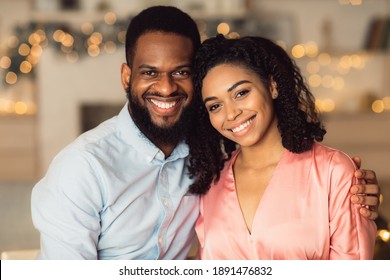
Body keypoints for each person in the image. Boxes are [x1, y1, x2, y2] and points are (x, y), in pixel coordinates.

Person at [31, 6, 380, 260]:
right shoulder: (84, 168)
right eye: (150, 72)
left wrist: (354, 186)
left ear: (272, 86)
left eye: (181, 72)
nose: (166, 88)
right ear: (127, 77)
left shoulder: (207, 160)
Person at [188, 34, 377, 259]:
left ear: (272, 85)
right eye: (215, 105)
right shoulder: (211, 181)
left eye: (241, 93)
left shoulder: (333, 172)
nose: (231, 114)